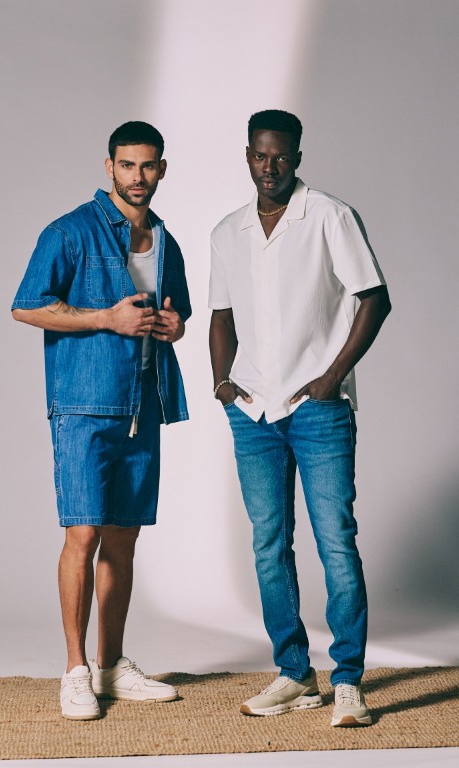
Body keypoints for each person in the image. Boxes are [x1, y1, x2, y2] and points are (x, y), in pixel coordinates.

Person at [209, 110, 391, 727]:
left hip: (317, 410)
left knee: (335, 540)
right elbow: (221, 315)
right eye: (261, 156)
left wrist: (331, 378)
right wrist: (222, 383)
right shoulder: (228, 231)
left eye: (282, 156)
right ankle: (294, 674)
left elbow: (374, 299)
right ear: (248, 156)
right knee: (269, 544)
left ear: (298, 157)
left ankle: (348, 682)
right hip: (252, 411)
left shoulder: (331, 216)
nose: (271, 167)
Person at [12, 121, 190, 720]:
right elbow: (26, 306)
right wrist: (103, 319)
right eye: (128, 165)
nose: (138, 176)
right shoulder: (70, 231)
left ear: (161, 169)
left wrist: (174, 327)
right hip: (85, 402)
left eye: (148, 165)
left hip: (144, 402)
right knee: (83, 536)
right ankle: (75, 670)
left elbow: (176, 315)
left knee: (122, 539)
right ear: (108, 167)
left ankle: (111, 665)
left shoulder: (165, 239)